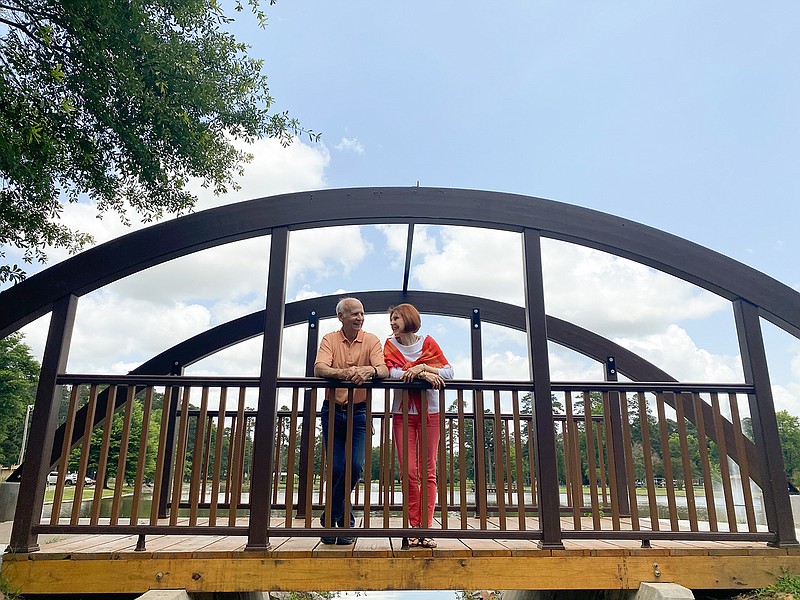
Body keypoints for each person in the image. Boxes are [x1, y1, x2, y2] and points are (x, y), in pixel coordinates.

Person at [314, 297, 388, 545]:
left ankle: (330, 517)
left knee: (354, 466)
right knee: (336, 468)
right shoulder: (329, 340)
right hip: (332, 410)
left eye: (362, 314)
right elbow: (320, 368)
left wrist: (371, 371)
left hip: (359, 411)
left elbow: (384, 369)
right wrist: (343, 374)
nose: (359, 318)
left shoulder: (371, 340)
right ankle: (344, 524)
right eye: (354, 314)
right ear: (341, 317)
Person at [383, 303, 453, 549]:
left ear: (409, 319)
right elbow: (390, 373)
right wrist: (422, 373)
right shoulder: (390, 345)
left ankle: (426, 529)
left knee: (428, 472)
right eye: (391, 319)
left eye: (397, 318)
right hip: (403, 414)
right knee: (410, 472)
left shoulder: (428, 343)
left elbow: (449, 373)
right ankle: (415, 527)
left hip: (430, 414)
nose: (392, 323)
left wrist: (423, 367)